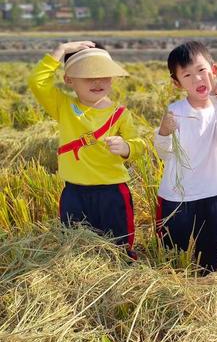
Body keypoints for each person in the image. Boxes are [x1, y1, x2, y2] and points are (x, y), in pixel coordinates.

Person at [28, 41, 145, 258]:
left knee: (118, 247)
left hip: (113, 192)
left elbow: (139, 145)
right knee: (76, 247)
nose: (97, 81)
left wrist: (126, 147)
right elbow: (37, 82)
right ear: (69, 79)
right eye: (88, 75)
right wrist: (61, 50)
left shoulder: (120, 113)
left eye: (103, 74)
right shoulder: (63, 107)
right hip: (75, 192)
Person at [154, 41, 217, 273]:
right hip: (177, 195)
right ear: (177, 83)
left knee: (212, 254)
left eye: (201, 71)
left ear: (214, 70)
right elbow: (165, 153)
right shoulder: (175, 111)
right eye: (187, 75)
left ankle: (209, 287)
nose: (197, 79)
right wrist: (163, 132)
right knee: (172, 254)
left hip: (214, 192)